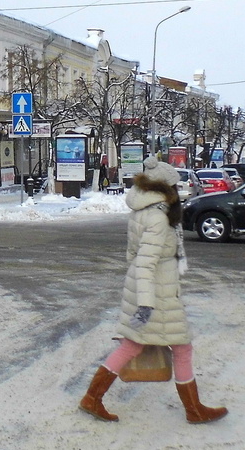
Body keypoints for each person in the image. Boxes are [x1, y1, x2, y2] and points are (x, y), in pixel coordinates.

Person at [79, 155, 228, 425]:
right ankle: (193, 410)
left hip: (148, 287)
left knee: (132, 345)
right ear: (165, 189)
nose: (178, 193)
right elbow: (146, 263)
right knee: (180, 348)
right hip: (156, 293)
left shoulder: (143, 211)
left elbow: (133, 254)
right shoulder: (159, 219)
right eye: (175, 187)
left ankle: (92, 397)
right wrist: (146, 305)